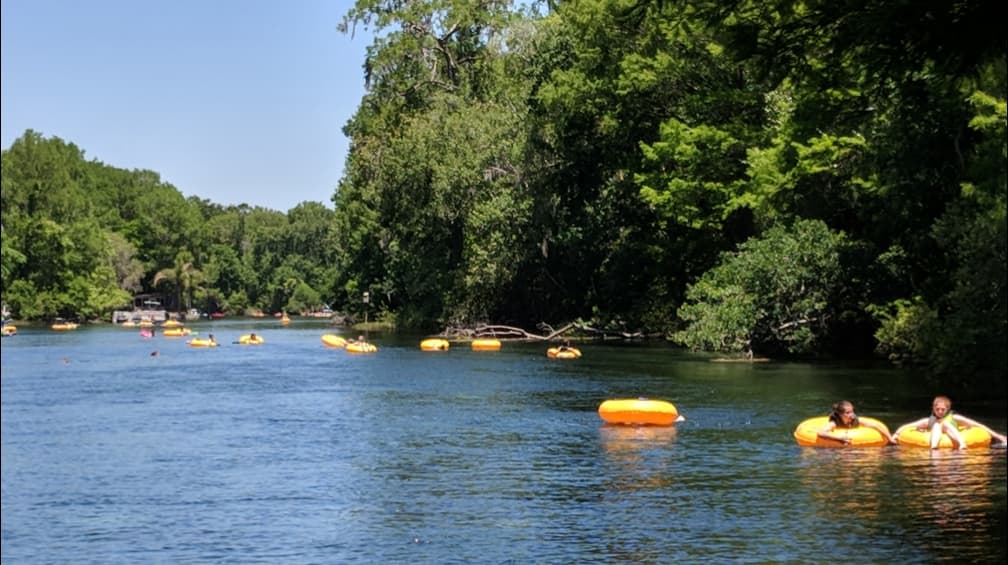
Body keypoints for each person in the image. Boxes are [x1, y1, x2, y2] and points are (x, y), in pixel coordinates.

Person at [894, 395, 1008, 449]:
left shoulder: (955, 418)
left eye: (942, 410)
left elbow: (978, 425)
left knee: (946, 424)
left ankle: (962, 444)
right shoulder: (928, 421)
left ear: (947, 409)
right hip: (936, 436)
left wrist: (997, 436)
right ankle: (934, 448)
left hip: (953, 434)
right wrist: (896, 435)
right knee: (937, 425)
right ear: (933, 409)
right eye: (937, 409)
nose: (940, 412)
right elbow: (907, 426)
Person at [817, 400, 896, 445]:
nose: (851, 415)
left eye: (852, 411)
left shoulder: (856, 420)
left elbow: (876, 425)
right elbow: (821, 432)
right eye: (847, 413)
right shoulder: (835, 422)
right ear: (840, 414)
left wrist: (890, 438)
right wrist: (839, 439)